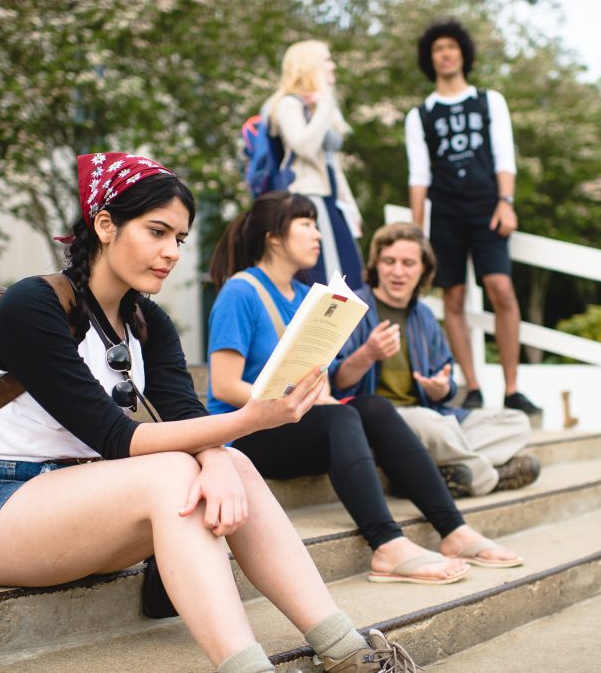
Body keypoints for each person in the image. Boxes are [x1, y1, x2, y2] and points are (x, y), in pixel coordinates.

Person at [0, 152, 416, 673]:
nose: (171, 253)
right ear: (105, 225)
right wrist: (254, 419)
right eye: (157, 232)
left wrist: (218, 459)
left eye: (180, 240)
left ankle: (350, 653)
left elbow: (185, 414)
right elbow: (115, 437)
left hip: (81, 506)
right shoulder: (35, 305)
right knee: (176, 474)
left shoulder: (148, 321)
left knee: (231, 465)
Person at [208, 190, 525, 585]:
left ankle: (454, 530)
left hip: (289, 424)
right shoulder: (241, 292)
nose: (317, 235)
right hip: (245, 432)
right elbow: (223, 385)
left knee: (372, 406)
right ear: (274, 236)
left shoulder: (308, 296)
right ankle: (387, 544)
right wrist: (290, 405)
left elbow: (315, 375)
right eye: (306, 225)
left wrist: (311, 398)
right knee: (340, 417)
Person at [332, 223, 540, 499]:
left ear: (423, 270)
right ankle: (487, 479)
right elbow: (335, 382)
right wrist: (367, 353)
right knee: (434, 425)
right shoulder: (351, 308)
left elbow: (447, 383)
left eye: (408, 263)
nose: (397, 271)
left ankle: (427, 473)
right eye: (389, 261)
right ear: (376, 265)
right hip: (383, 421)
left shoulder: (425, 317)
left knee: (515, 422)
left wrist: (441, 388)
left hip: (432, 416)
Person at [405, 19, 541, 416]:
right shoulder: (421, 114)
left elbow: (503, 155)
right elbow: (419, 176)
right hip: (445, 213)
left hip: (487, 208)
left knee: (501, 289)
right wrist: (416, 232)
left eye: (451, 46)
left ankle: (513, 388)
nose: (445, 53)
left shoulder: (488, 100)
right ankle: (474, 385)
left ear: (463, 53)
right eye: (437, 49)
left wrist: (506, 201)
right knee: (454, 297)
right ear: (430, 59)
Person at [265, 39, 364, 288]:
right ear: (310, 66)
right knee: (328, 276)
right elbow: (304, 147)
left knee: (347, 270)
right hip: (307, 199)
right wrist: (323, 108)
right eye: (326, 60)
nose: (332, 66)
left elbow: (332, 164)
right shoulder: (288, 104)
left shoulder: (314, 105)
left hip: (329, 199)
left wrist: (350, 207)